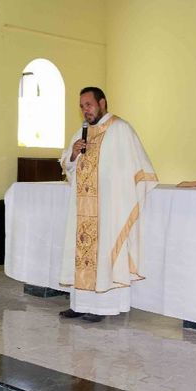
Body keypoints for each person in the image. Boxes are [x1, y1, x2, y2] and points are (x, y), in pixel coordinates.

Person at [59, 87, 157, 322]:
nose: (85, 110)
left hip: (108, 207)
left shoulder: (120, 129)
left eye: (89, 104)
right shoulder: (82, 132)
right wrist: (73, 155)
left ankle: (103, 307)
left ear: (102, 103)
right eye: (82, 106)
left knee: (104, 254)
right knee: (82, 253)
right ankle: (81, 304)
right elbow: (68, 165)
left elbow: (135, 166)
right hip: (83, 207)